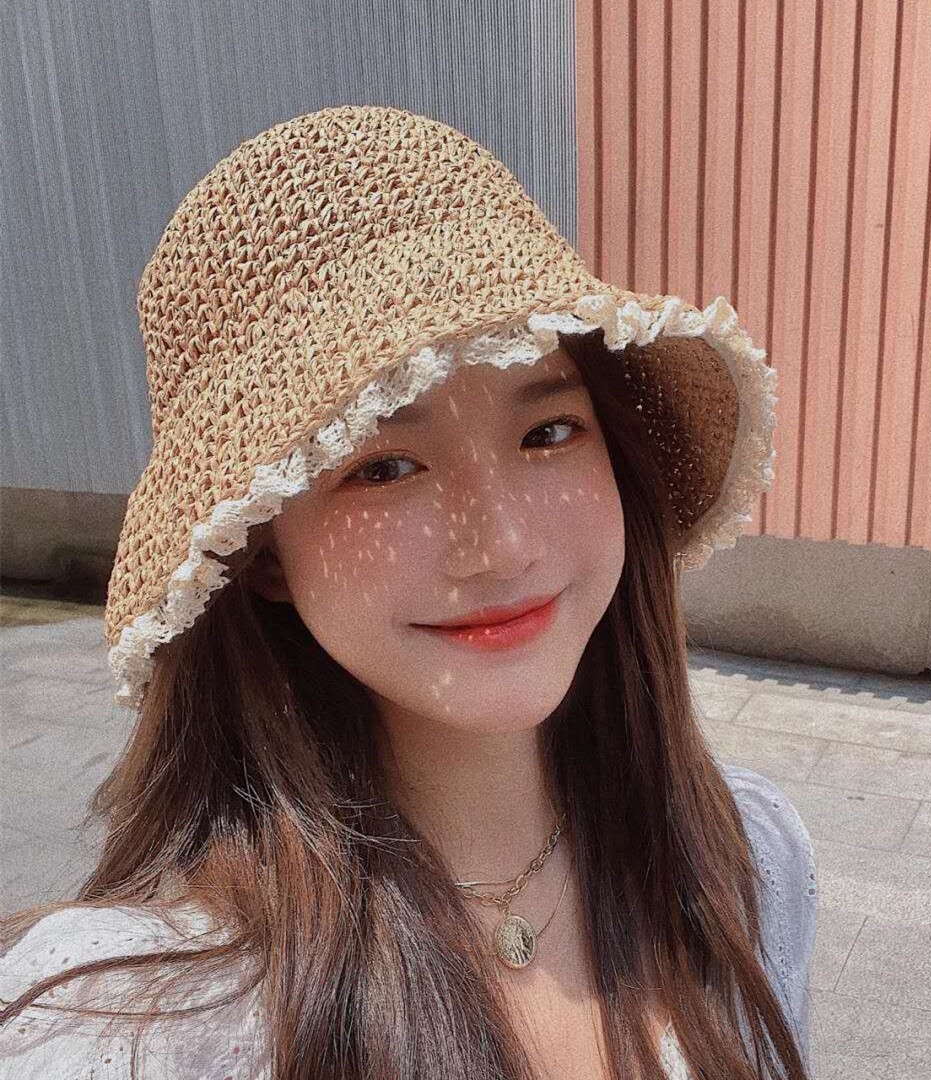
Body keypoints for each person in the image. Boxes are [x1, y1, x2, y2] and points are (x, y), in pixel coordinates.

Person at [0, 105, 817, 1079]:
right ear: (261, 552)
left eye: (549, 432)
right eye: (383, 468)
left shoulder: (745, 858)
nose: (503, 547)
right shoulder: (134, 1022)